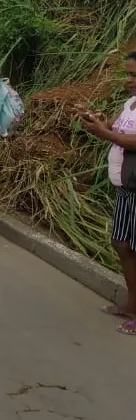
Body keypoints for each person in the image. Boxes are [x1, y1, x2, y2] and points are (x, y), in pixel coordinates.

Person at [80, 51, 136, 335]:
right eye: (128, 74)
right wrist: (99, 122)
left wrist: (105, 133)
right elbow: (114, 128)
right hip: (126, 191)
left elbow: (128, 140)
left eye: (134, 76)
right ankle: (131, 305)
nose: (129, 81)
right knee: (122, 244)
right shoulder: (130, 103)